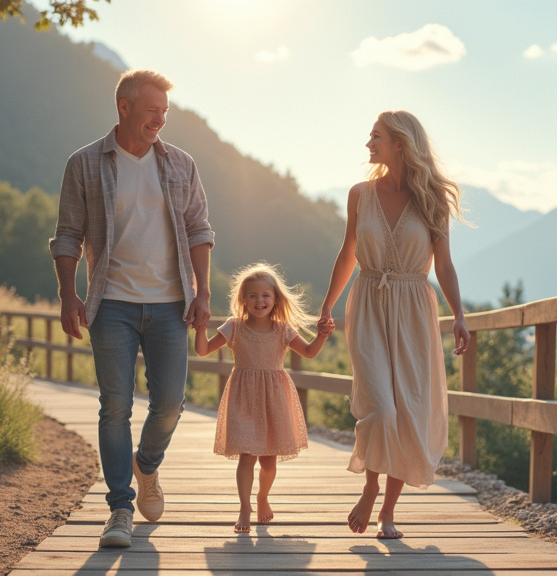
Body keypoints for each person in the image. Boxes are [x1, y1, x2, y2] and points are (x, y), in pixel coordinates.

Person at [49, 69, 214, 548]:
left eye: (164, 112)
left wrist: (202, 292)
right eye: (151, 111)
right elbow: (67, 235)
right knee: (115, 406)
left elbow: (200, 230)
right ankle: (120, 508)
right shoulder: (84, 163)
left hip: (170, 305)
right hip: (112, 303)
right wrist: (67, 295)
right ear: (124, 108)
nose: (160, 120)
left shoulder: (181, 163)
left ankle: (147, 464)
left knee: (169, 405)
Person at [318, 110, 470, 540]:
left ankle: (388, 512)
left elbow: (445, 265)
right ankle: (369, 487)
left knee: (407, 413)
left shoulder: (433, 198)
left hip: (414, 310)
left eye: (376, 136)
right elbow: (347, 253)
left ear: (400, 144)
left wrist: (459, 315)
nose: (368, 143)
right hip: (367, 303)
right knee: (379, 407)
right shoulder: (359, 194)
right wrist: (329, 305)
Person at [194, 263, 334, 533]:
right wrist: (200, 329)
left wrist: (323, 336)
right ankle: (244, 508)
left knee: (269, 460)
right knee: (247, 455)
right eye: (253, 296)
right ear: (243, 300)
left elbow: (308, 352)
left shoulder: (283, 329)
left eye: (265, 295)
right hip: (243, 398)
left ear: (275, 299)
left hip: (274, 398)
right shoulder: (234, 326)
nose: (259, 301)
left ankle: (262, 497)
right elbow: (202, 351)